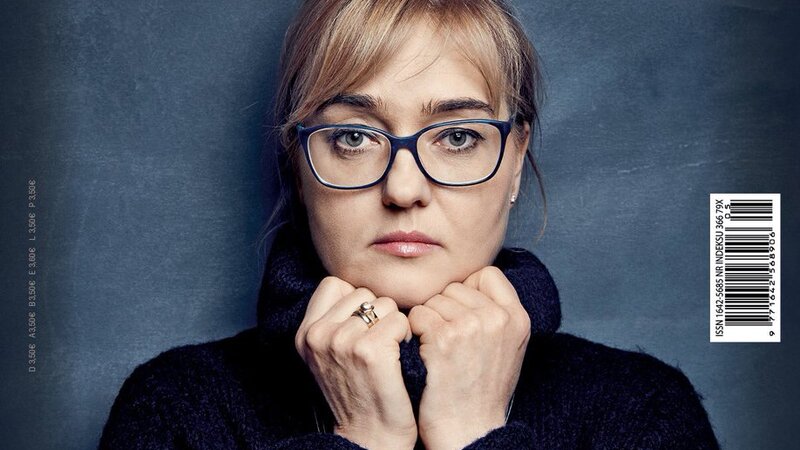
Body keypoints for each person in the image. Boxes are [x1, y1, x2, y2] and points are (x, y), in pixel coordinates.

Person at [99, 0, 720, 448]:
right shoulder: (176, 411)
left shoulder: (641, 412)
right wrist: (361, 438)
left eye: (457, 136)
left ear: (514, 161)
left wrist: (475, 432)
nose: (402, 189)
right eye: (353, 137)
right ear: (298, 163)